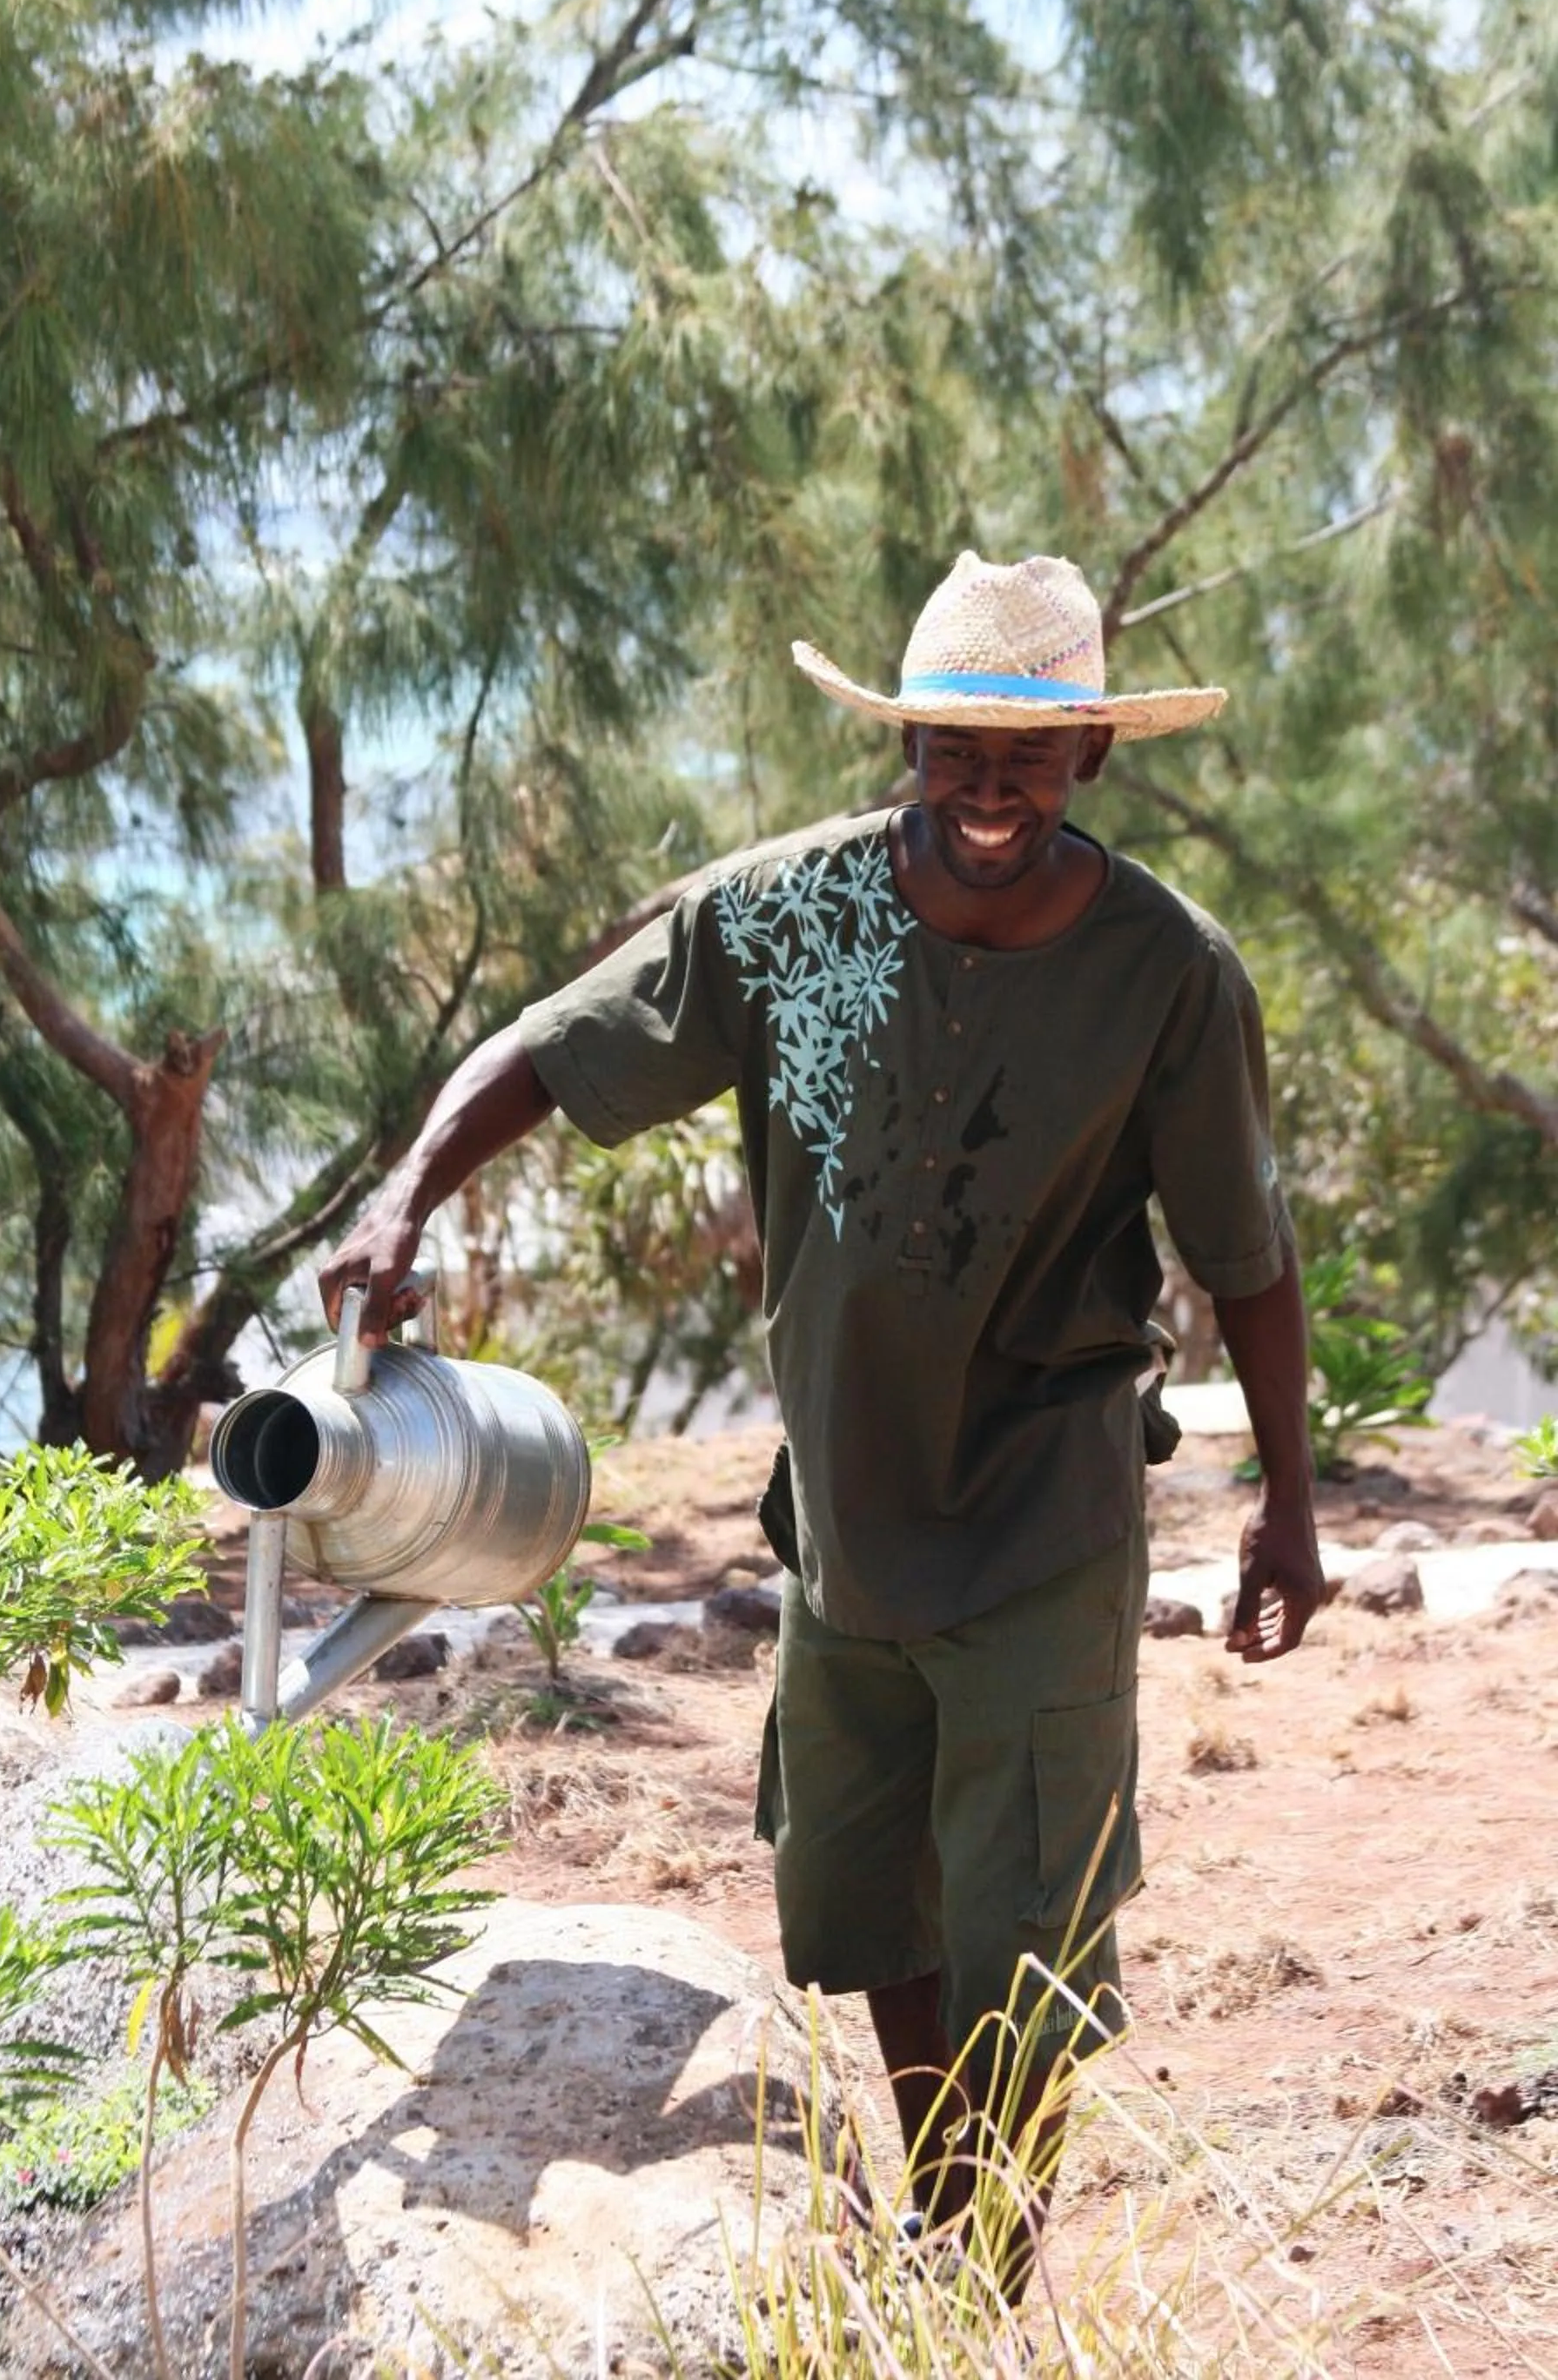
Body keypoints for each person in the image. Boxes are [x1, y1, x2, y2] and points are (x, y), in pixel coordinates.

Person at [318, 549, 1325, 2291]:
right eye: (952, 746)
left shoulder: (1167, 970)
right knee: (866, 1897)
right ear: (910, 743)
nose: (986, 786)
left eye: (1025, 751)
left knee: (1027, 1914)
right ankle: (946, 2201)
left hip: (1045, 1502)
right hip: (846, 1515)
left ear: (1090, 751)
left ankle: (990, 2259)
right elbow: (556, 1050)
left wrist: (1289, 1505)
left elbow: (1246, 1256)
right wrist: (404, 1198)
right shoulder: (784, 917)